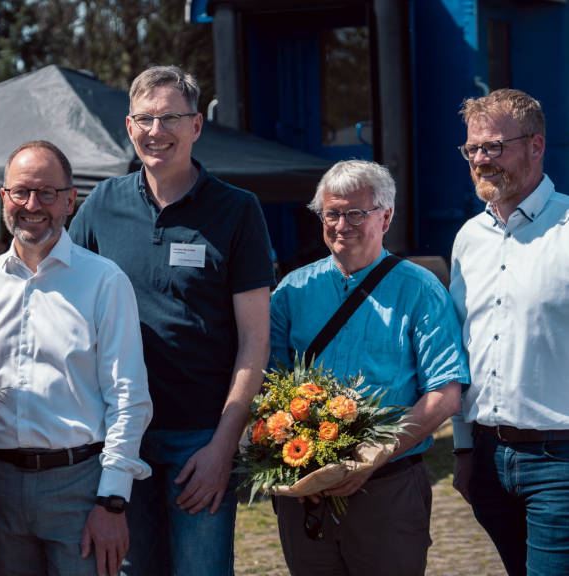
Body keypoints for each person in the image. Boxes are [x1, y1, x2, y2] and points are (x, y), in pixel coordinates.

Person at [69, 65, 274, 576]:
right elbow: (64, 305)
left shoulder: (238, 210)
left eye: (171, 118)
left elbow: (255, 340)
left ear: (197, 126)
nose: (156, 131)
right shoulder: (100, 204)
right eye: (145, 119)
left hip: (199, 439)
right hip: (120, 437)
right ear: (129, 125)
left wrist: (224, 445)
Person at [270, 160, 469, 575]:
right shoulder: (292, 291)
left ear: (387, 215)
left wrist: (372, 457)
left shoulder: (420, 289)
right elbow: (269, 386)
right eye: (332, 213)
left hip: (389, 487)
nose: (343, 224)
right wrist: (296, 469)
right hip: (307, 493)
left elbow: (445, 395)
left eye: (356, 213)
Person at [0, 140, 152, 576]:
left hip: (80, 488)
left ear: (71, 200)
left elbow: (129, 398)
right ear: (3, 197)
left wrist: (112, 500)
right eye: (21, 192)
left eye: (48, 193)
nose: (33, 204)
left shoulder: (104, 281)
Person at [450, 88, 569, 575]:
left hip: (559, 462)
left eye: (494, 146)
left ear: (536, 146)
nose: (481, 159)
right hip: (486, 460)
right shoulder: (468, 239)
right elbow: (460, 348)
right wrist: (461, 450)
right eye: (473, 148)